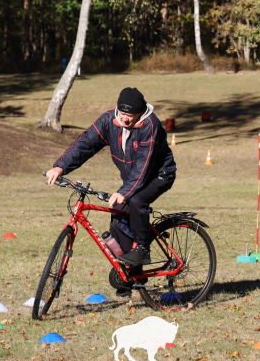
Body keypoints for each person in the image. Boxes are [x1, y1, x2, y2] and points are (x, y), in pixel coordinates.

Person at [45, 87, 176, 273]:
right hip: (133, 179)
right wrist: (61, 166)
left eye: (130, 115)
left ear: (140, 113)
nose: (124, 118)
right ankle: (128, 270)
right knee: (118, 212)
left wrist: (125, 192)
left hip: (159, 175)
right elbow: (86, 143)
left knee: (137, 201)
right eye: (122, 113)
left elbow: (143, 164)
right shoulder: (109, 120)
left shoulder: (150, 125)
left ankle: (142, 249)